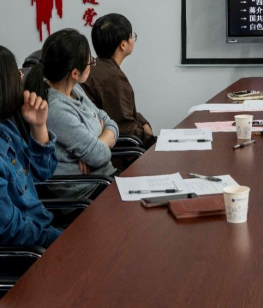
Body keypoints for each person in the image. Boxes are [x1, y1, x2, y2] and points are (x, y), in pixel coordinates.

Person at [24, 29, 118, 197]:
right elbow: (100, 155)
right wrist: (95, 148)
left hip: (103, 179)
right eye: (90, 62)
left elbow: (109, 121)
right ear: (75, 73)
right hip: (87, 191)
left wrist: (95, 145)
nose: (92, 65)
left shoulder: (75, 88)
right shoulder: (56, 109)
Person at [0, 45, 61, 247]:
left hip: (41, 230)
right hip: (28, 250)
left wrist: (38, 126)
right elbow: (10, 229)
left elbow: (42, 172)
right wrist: (59, 239)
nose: (21, 77)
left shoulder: (6, 128)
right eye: (16, 73)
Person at [81, 13, 156, 148]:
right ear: (123, 45)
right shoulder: (114, 79)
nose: (133, 40)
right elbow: (126, 129)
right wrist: (153, 141)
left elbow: (119, 113)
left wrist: (143, 122)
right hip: (117, 153)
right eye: (131, 36)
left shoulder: (94, 67)